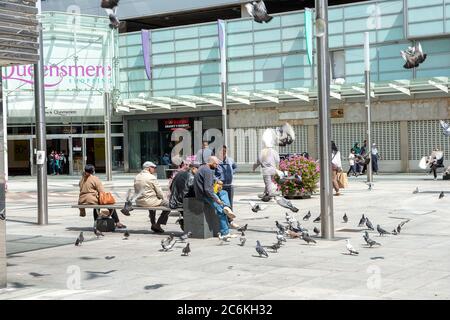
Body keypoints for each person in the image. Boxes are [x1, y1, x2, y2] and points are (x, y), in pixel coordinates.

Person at [194, 156, 235, 237]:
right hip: (204, 195)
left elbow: (211, 178)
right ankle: (225, 233)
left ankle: (227, 207)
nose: (217, 166)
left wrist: (217, 181)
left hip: (204, 192)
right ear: (212, 163)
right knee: (221, 211)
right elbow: (207, 190)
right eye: (216, 164)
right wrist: (217, 200)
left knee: (224, 193)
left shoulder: (203, 168)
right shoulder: (208, 170)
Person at [169, 163, 199, 230]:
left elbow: (171, 187)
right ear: (193, 168)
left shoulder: (179, 174)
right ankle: (187, 224)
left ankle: (184, 223)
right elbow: (192, 190)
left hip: (174, 201)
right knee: (200, 204)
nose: (199, 172)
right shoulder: (191, 176)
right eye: (198, 170)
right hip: (183, 202)